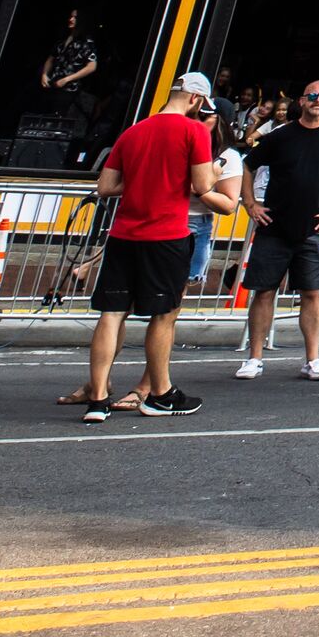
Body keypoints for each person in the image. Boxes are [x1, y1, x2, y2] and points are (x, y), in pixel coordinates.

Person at [57, 71, 234, 423]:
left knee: (111, 313)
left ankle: (98, 399)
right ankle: (160, 394)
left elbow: (105, 187)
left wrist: (143, 178)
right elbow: (201, 186)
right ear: (196, 99)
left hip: (124, 234)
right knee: (163, 315)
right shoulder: (194, 131)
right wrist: (213, 171)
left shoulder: (134, 131)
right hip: (166, 235)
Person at [235, 78, 319, 382]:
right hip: (274, 226)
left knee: (312, 293)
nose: (318, 101)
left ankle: (313, 359)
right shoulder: (281, 136)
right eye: (312, 96)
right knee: (264, 291)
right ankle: (254, 357)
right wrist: (250, 203)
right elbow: (248, 165)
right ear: (302, 101)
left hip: (313, 228)